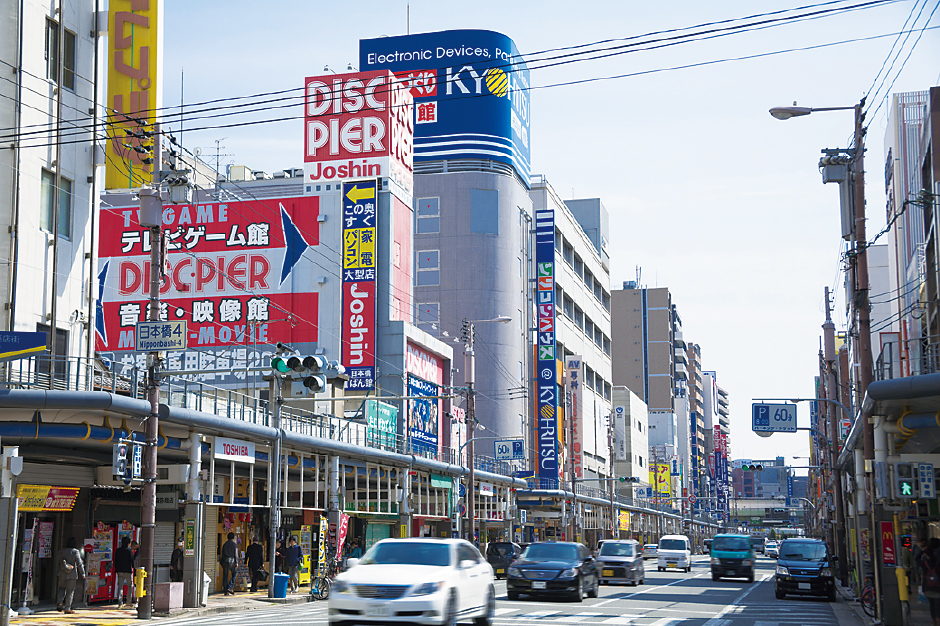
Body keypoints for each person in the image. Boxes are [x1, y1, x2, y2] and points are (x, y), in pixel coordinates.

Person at [56, 537, 85, 614]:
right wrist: (83, 573)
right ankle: (67, 608)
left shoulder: (61, 551)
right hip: (72, 574)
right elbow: (79, 563)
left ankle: (59, 602)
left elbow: (58, 561)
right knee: (70, 591)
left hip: (62, 573)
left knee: (61, 588)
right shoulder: (75, 551)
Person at [919, 537, 940, 626]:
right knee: (938, 604)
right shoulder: (938, 561)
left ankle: (933, 620)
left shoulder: (924, 562)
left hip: (927, 585)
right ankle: (938, 619)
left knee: (931, 604)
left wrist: (922, 551)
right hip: (938, 585)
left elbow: (916, 559)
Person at [114, 536, 135, 608]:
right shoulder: (129, 550)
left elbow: (116, 560)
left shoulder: (118, 550)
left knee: (120, 586)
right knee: (130, 585)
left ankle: (120, 603)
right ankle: (128, 601)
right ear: (128, 543)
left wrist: (116, 569)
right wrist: (134, 567)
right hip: (128, 570)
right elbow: (132, 560)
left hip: (120, 571)